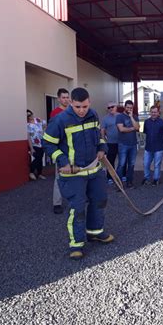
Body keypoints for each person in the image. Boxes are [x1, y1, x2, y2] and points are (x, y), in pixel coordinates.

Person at [43, 87, 113, 260]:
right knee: (77, 208)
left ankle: (95, 232)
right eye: (77, 107)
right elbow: (48, 144)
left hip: (94, 170)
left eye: (85, 106)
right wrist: (63, 162)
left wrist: (102, 148)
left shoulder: (94, 115)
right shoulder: (59, 120)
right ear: (70, 103)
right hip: (73, 174)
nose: (82, 110)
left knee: (100, 200)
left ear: (89, 103)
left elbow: (99, 136)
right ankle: (76, 244)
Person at [49, 88, 70, 214]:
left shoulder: (73, 111)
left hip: (73, 149)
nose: (66, 99)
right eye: (63, 97)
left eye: (67, 97)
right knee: (59, 177)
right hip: (61, 150)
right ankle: (57, 203)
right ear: (58, 99)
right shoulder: (55, 113)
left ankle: (80, 198)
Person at [116, 100, 140, 188]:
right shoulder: (120, 117)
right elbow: (121, 129)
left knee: (131, 164)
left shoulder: (134, 116)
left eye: (131, 108)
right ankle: (119, 184)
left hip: (133, 144)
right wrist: (132, 128)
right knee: (121, 164)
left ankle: (129, 182)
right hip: (123, 144)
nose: (129, 109)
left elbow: (137, 128)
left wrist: (131, 117)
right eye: (128, 107)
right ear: (124, 107)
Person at [142, 106, 163, 186]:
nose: (153, 113)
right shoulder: (146, 122)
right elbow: (145, 132)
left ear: (158, 113)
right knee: (146, 163)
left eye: (155, 112)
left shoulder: (162, 122)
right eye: (152, 112)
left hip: (159, 147)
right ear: (150, 112)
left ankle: (156, 179)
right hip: (148, 147)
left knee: (157, 164)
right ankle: (147, 178)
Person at [101, 101, 120, 185]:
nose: (111, 108)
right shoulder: (105, 118)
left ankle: (122, 175)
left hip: (122, 143)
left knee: (122, 160)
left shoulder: (121, 116)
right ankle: (110, 177)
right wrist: (103, 141)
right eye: (109, 107)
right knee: (110, 161)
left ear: (116, 107)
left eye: (112, 106)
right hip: (111, 143)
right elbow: (102, 130)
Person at [27, 109, 47, 181]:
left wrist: (42, 122)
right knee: (37, 158)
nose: (30, 116)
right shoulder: (27, 125)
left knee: (40, 158)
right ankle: (31, 171)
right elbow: (28, 137)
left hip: (42, 142)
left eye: (31, 114)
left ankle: (39, 174)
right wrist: (31, 148)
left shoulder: (37, 120)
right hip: (34, 144)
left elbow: (45, 126)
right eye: (28, 115)